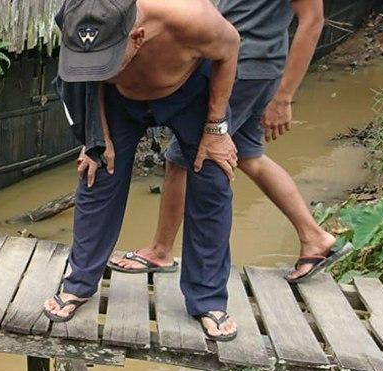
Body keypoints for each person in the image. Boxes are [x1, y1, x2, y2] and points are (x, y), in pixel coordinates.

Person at [108, 0, 346, 284]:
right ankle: (314, 237)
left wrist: (284, 97)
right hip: (242, 62)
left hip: (241, 66)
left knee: (185, 159)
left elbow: (313, 20)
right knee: (249, 155)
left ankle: (160, 251)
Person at [45, 0, 241, 341]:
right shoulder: (78, 16)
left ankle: (207, 297)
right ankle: (79, 283)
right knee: (97, 170)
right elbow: (84, 78)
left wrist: (215, 129)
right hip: (120, 98)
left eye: (107, 60)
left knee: (212, 175)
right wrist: (96, 135)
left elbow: (230, 49)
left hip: (190, 90)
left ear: (137, 37)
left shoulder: (191, 18)